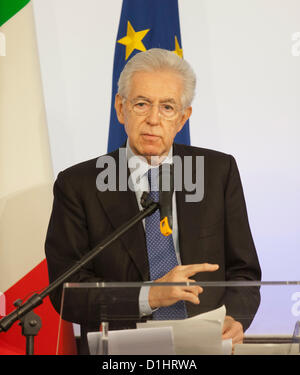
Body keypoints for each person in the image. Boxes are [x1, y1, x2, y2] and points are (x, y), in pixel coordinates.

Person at [45, 48, 261, 352]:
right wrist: (150, 296)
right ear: (121, 109)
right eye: (142, 104)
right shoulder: (78, 185)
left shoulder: (217, 172)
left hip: (206, 344)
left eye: (168, 107)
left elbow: (244, 272)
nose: (154, 119)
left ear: (184, 117)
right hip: (124, 349)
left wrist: (236, 317)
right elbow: (66, 292)